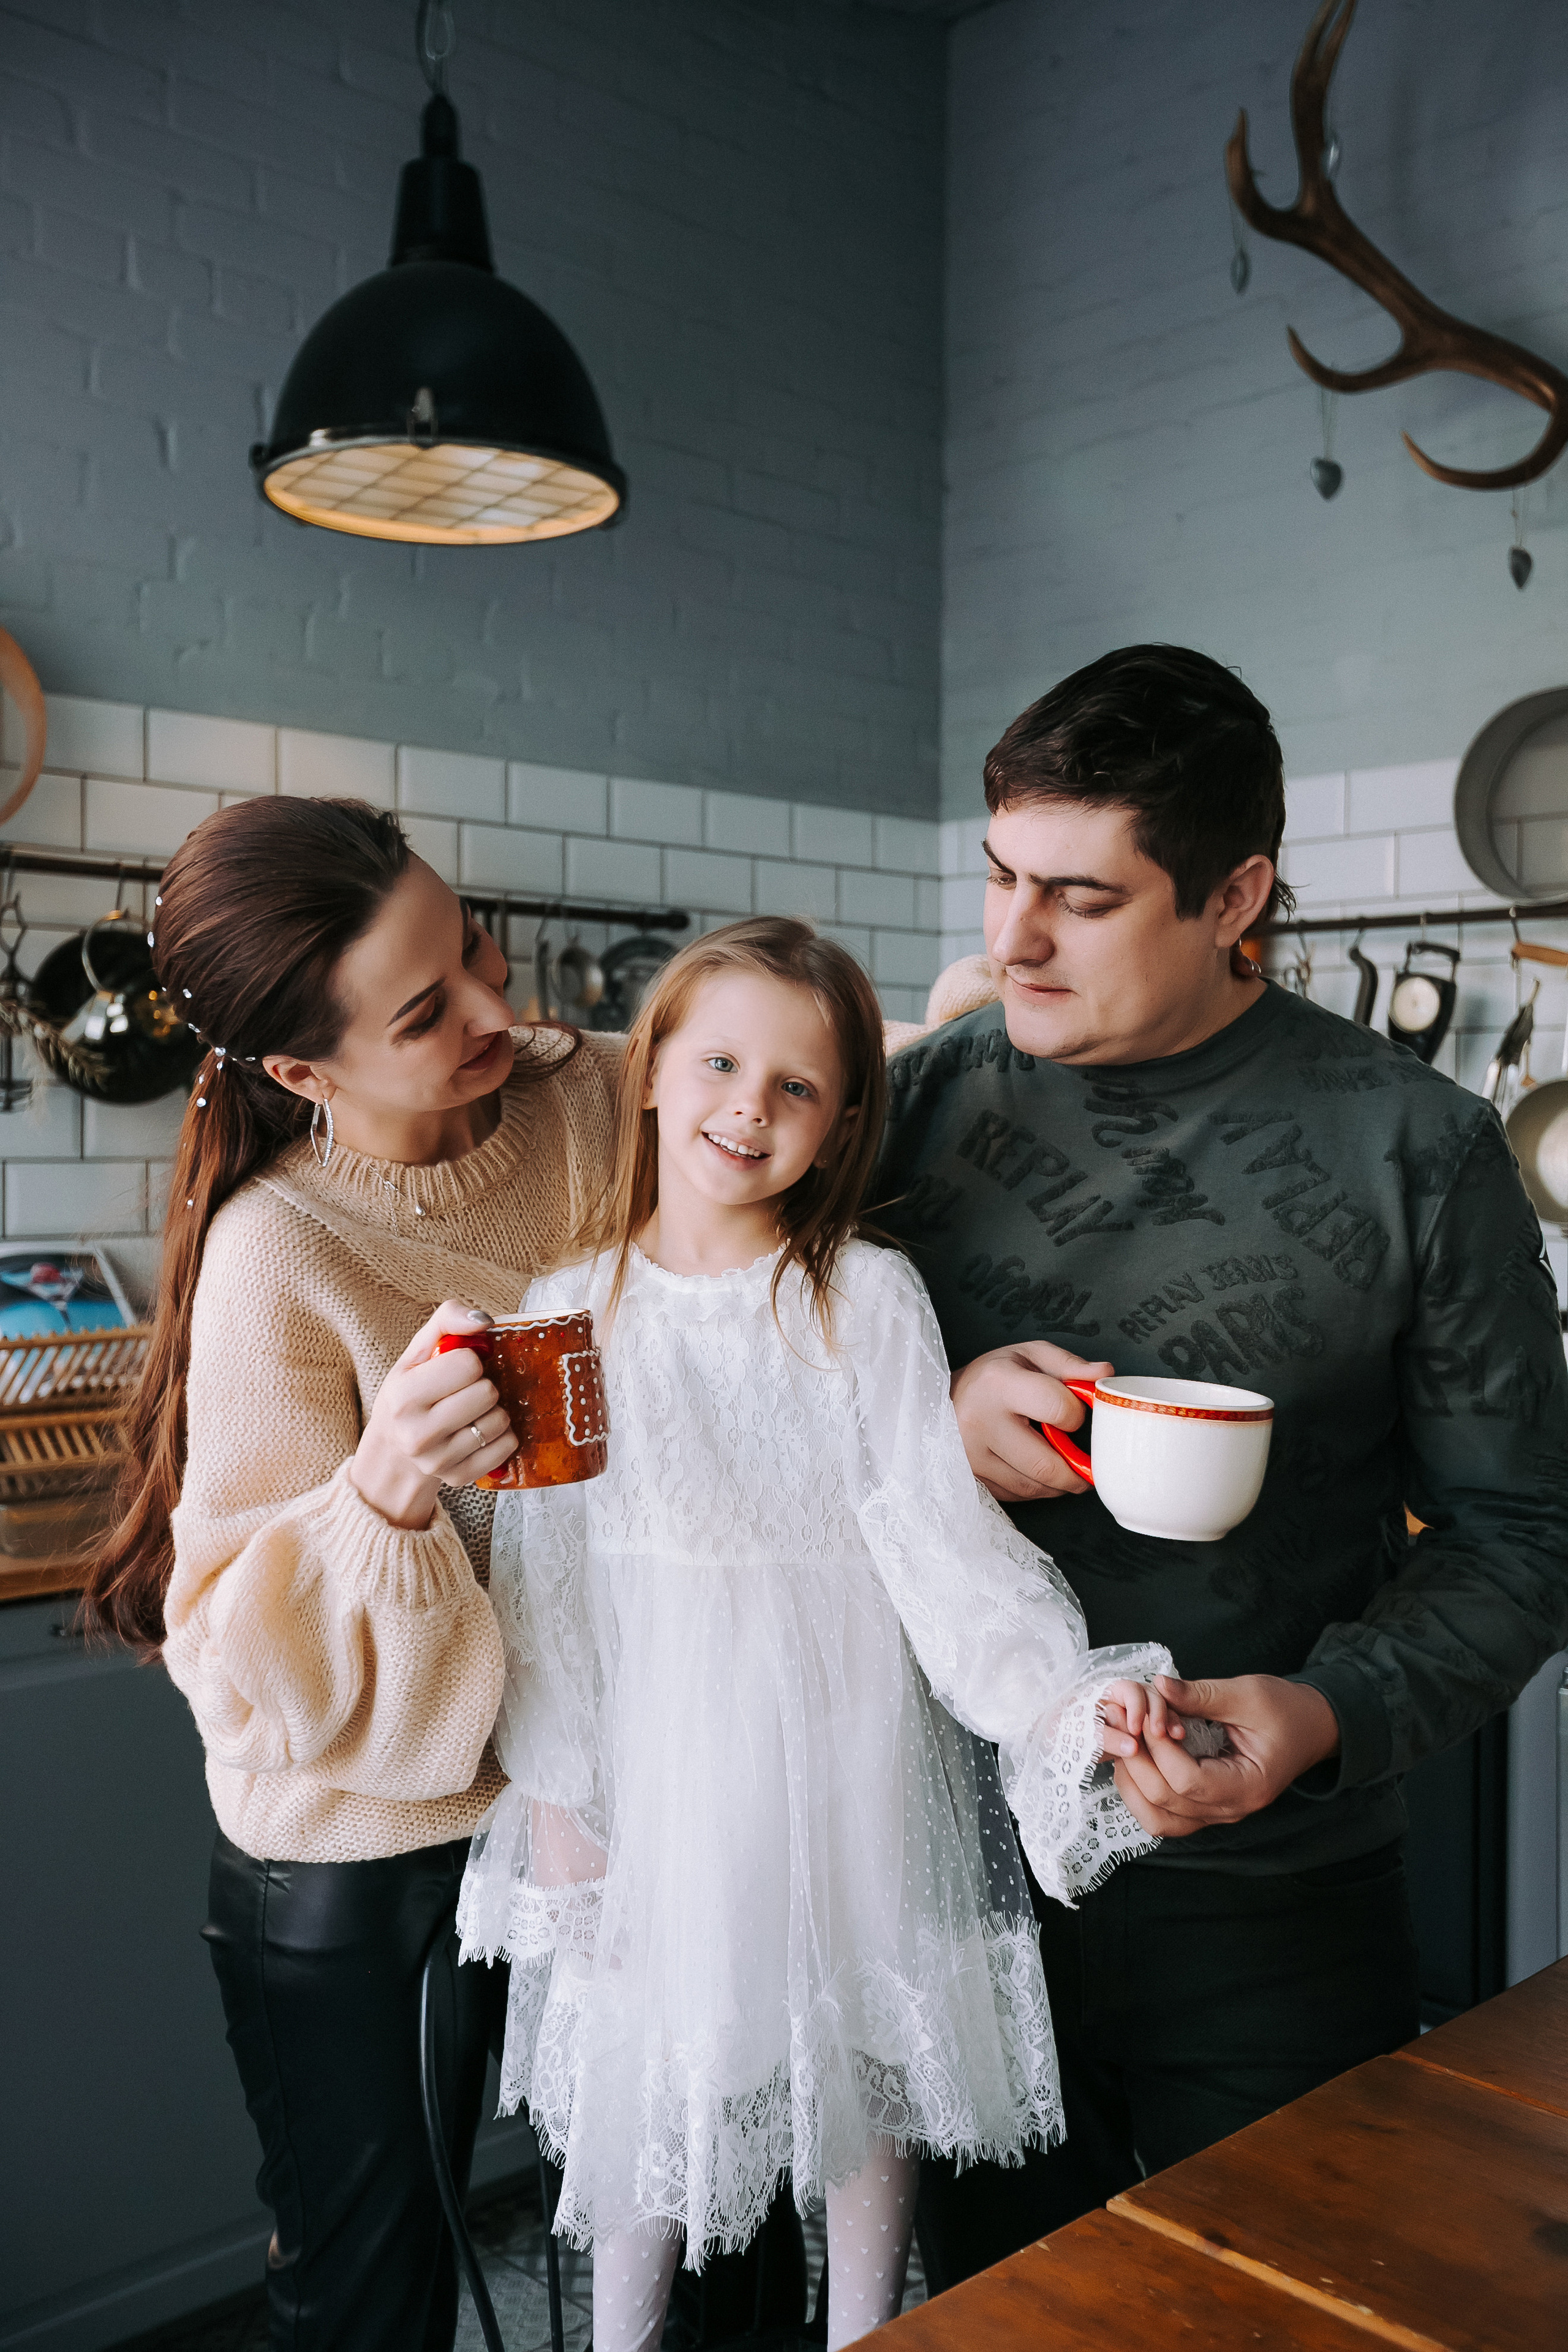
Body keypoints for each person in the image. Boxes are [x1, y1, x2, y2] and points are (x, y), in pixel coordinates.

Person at [876, 644, 1568, 2288]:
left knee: (1283, 2317)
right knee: (1000, 2320)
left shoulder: (1419, 1149)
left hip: (1272, 1896)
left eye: (1080, 897)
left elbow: (1525, 1539)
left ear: (1232, 891)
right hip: (952, 1881)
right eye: (998, 877)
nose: (1011, 940)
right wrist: (927, 1426)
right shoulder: (907, 1111)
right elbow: (729, 1413)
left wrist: (1323, 1714)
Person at [452, 916, 1169, 2352]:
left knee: (864, 2062)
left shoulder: (863, 1298)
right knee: (654, 2069)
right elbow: (546, 1585)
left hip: (849, 1752)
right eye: (719, 1062)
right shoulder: (561, 1310)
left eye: (796, 1088)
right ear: (650, 1070)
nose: (748, 1108)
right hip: (659, 1761)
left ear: (843, 1120)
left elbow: (936, 1541)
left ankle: (862, 2329)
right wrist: (556, 1791)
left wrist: (1049, 1706)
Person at [83, 794, 619, 2352]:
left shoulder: (586, 1100)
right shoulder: (277, 1255)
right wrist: (380, 1490)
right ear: (306, 1072)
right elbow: (232, 1663)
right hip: (359, 1853)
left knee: (664, 2205)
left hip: (577, 1790)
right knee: (369, 2293)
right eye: (427, 1010)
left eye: (472, 946)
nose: (496, 1011)